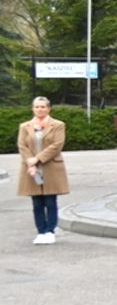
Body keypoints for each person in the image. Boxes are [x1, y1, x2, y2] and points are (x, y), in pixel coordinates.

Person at [18, 96, 69, 244]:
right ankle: (40, 231)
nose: (40, 109)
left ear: (48, 108)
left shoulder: (58, 125)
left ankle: (50, 231)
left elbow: (57, 145)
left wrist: (38, 158)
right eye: (37, 107)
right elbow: (22, 145)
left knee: (50, 201)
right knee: (37, 203)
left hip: (51, 166)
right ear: (33, 108)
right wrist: (30, 161)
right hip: (31, 168)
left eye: (43, 107)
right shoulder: (25, 126)